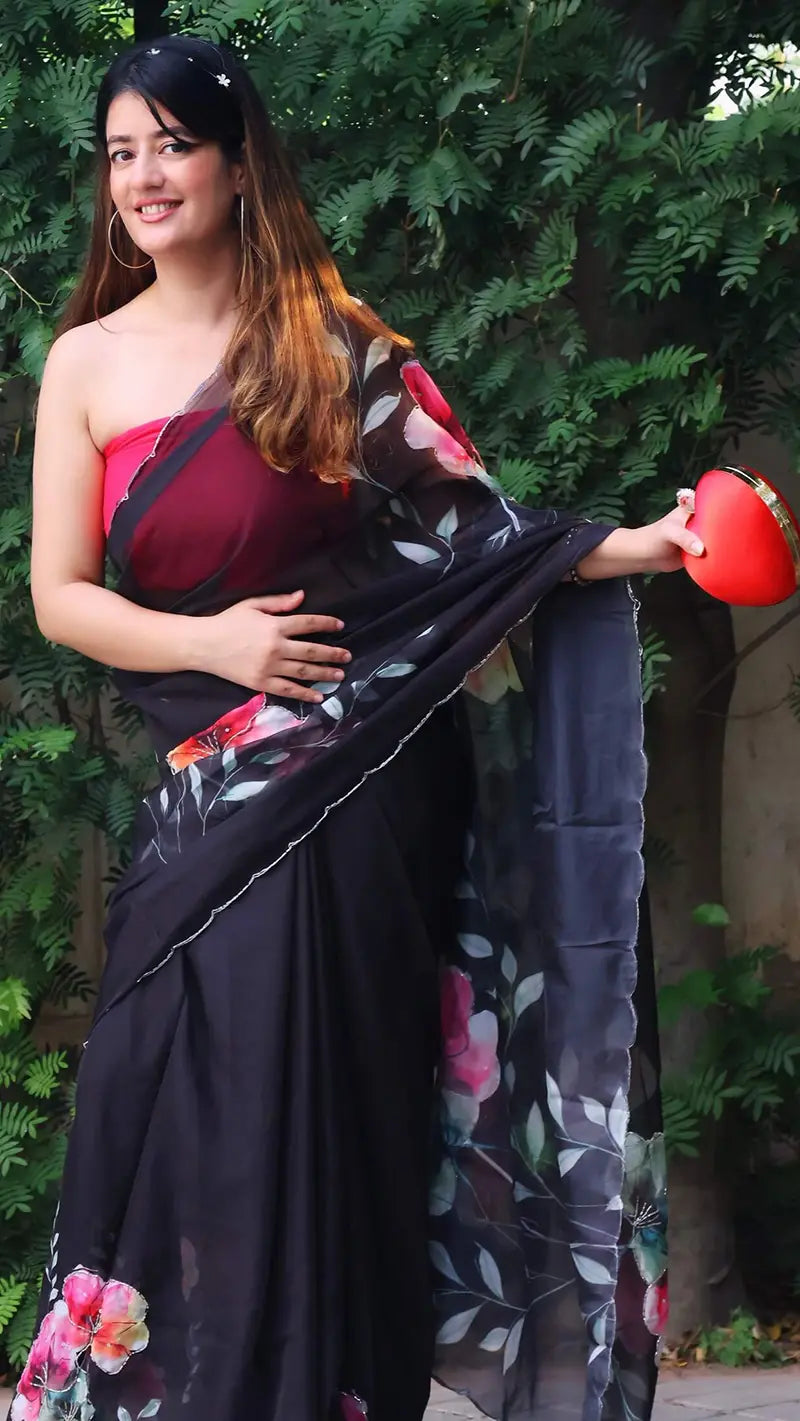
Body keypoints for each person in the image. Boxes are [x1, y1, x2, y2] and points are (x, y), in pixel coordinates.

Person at [18, 33, 693, 1421]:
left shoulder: (333, 346)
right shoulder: (85, 361)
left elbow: (477, 535)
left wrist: (638, 545)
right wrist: (214, 643)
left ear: (237, 162)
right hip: (208, 807)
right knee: (171, 1104)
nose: (144, 177)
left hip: (362, 799)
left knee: (343, 1120)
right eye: (122, 153)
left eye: (172, 146)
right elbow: (61, 597)